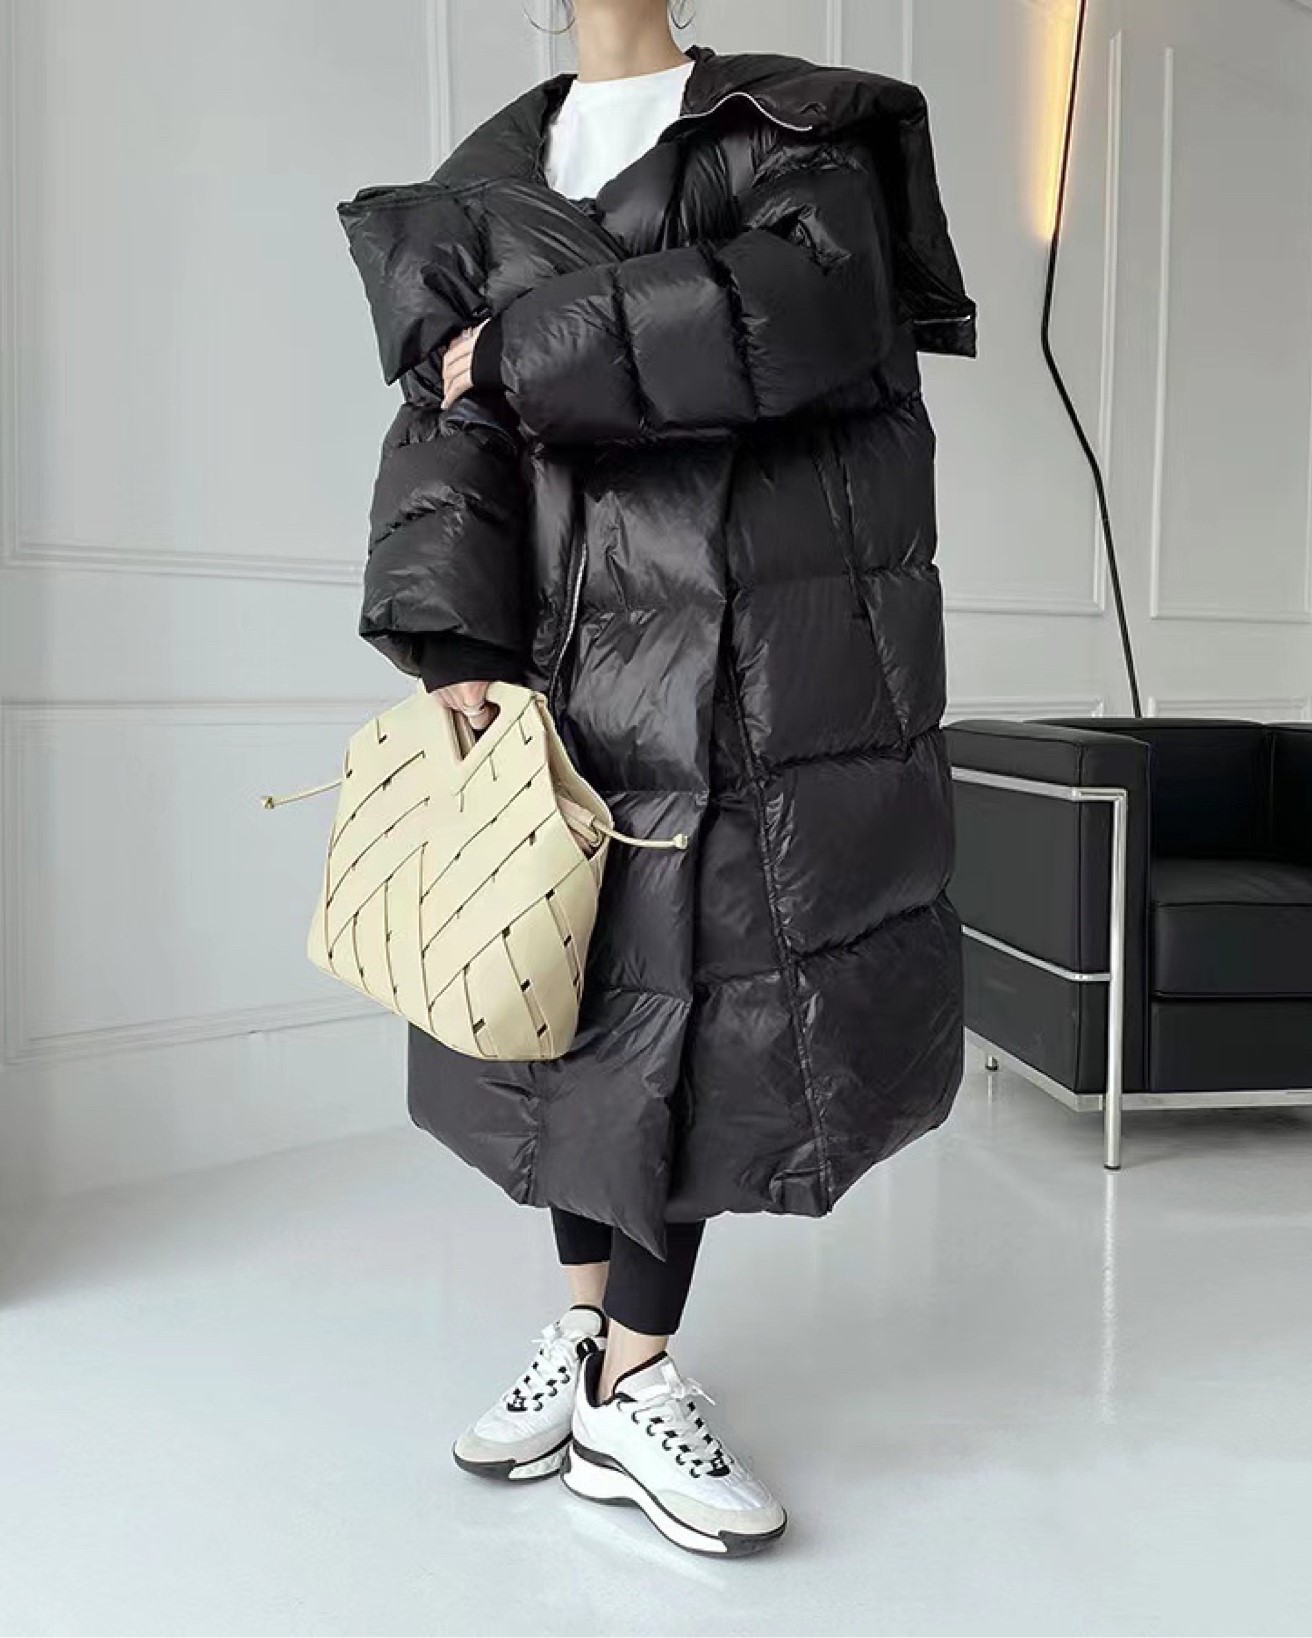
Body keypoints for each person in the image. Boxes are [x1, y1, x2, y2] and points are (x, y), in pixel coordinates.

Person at [339, 0, 975, 1557]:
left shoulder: (795, 129)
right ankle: (591, 1339)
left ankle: (635, 1373)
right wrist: (449, 637)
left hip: (751, 653)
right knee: (559, 988)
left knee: (694, 1007)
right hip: (558, 640)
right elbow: (440, 426)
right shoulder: (486, 176)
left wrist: (523, 346)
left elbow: (794, 310)